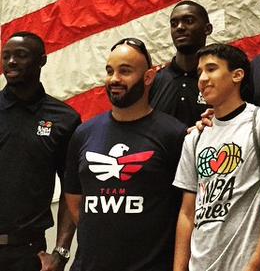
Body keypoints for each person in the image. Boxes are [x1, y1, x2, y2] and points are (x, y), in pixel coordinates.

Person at [64, 37, 186, 271]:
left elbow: (186, 210)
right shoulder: (84, 133)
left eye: (125, 71)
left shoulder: (174, 134)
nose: (114, 79)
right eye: (110, 71)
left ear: (149, 77)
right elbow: (75, 202)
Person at [173, 44, 260, 271]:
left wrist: (258, 261)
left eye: (211, 69)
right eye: (199, 72)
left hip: (244, 262)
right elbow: (187, 212)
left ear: (237, 75)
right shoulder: (195, 137)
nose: (203, 78)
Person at [0, 32, 80, 271]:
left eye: (20, 55)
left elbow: (72, 188)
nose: (11, 62)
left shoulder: (64, 119)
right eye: (6, 57)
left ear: (41, 60)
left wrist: (61, 253)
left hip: (29, 253)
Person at [150, 0, 213, 125]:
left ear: (207, 29)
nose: (180, 27)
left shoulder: (221, 79)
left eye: (188, 21)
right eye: (174, 24)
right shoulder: (153, 81)